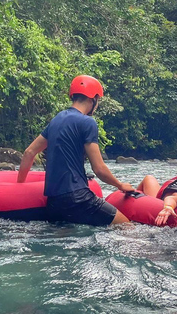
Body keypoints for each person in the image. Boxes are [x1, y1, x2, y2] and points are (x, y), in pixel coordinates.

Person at [17, 75, 135, 226]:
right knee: (127, 226)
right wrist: (120, 185)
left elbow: (29, 152)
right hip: (78, 198)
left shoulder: (57, 119)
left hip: (54, 203)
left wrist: (19, 186)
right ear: (93, 98)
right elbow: (99, 169)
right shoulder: (87, 123)